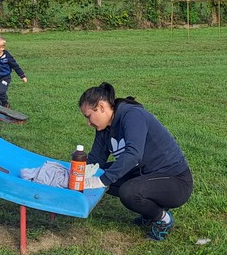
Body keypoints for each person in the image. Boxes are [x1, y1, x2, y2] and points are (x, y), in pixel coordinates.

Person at [78, 83, 193, 241]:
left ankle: (163, 219)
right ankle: (149, 211)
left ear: (102, 107)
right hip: (146, 173)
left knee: (128, 191)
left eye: (89, 116)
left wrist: (101, 181)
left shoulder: (132, 115)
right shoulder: (104, 127)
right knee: (103, 171)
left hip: (175, 180)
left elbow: (133, 154)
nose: (88, 123)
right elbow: (96, 161)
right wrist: (76, 175)